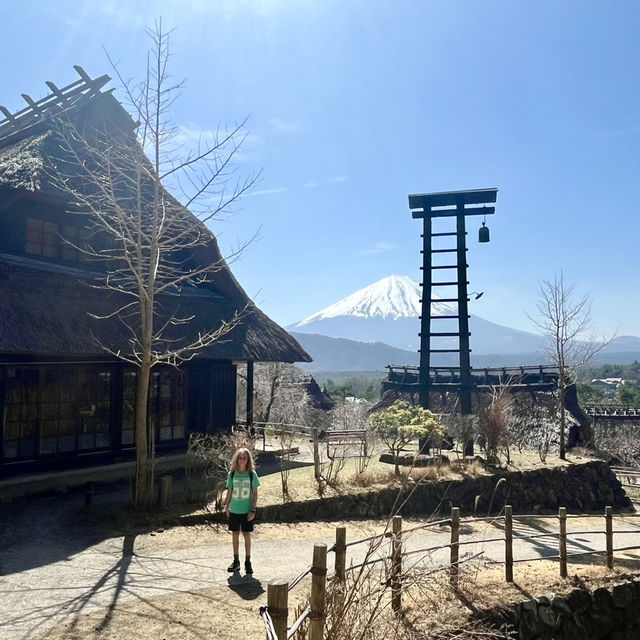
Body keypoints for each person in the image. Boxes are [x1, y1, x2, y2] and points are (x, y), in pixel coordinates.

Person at [224, 447, 260, 574]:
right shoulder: (232, 474)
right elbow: (229, 492)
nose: (242, 461)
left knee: (246, 535)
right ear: (237, 459)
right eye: (240, 458)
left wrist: (253, 510)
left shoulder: (252, 474)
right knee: (235, 534)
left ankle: (248, 562)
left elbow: (255, 494)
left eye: (244, 458)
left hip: (247, 511)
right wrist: (226, 506)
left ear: (248, 460)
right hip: (234, 509)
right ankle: (236, 561)